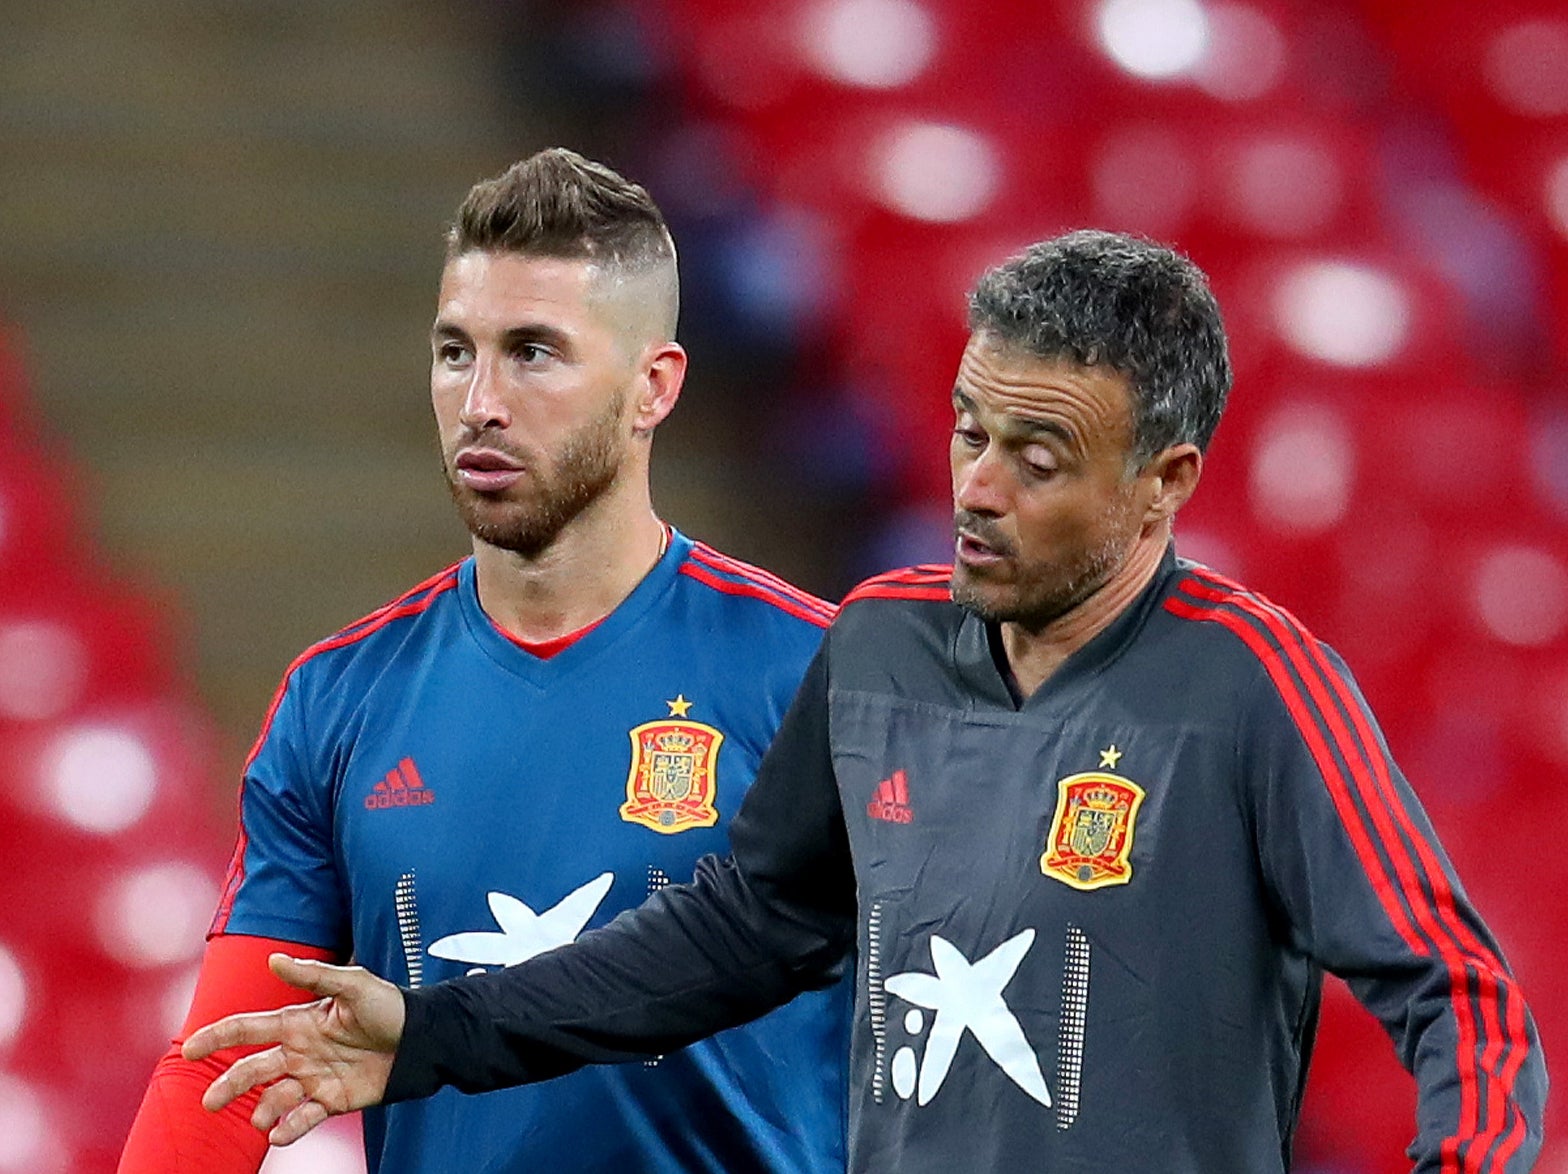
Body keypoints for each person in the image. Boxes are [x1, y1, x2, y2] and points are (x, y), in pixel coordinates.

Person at [186, 231, 1548, 1171]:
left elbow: (1459, 991)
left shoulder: (1253, 689)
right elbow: (740, 926)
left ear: (1164, 480)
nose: (977, 487)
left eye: (1037, 456)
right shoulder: (882, 644)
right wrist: (437, 1033)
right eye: (967, 430)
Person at [118, 148, 850, 1174]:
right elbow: (222, 1073)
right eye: (455, 350)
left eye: (533, 352)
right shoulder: (341, 699)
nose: (479, 403)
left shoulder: (813, 676)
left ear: (652, 387)